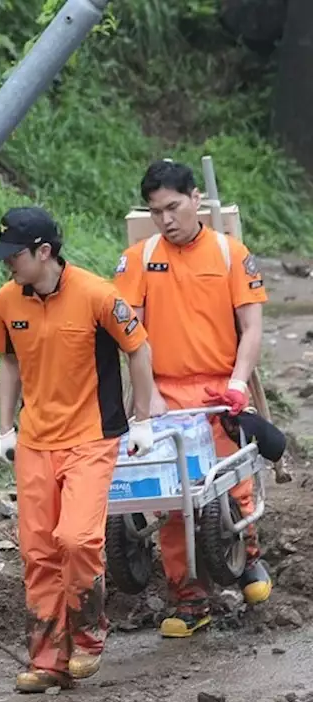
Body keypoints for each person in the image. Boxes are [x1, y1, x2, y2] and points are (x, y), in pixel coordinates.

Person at [0, 207, 157, 693]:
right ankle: (47, 659)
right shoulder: (7, 301)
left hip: (90, 437)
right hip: (35, 439)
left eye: (14, 255)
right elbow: (10, 363)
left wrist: (141, 419)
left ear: (45, 252)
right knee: (39, 550)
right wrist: (5, 428)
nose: (7, 265)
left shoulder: (99, 296)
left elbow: (139, 349)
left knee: (78, 539)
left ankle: (88, 636)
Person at [113, 159, 272, 637]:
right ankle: (189, 597)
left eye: (174, 207)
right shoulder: (140, 260)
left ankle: (245, 558)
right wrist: (147, 395)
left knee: (232, 486)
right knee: (172, 497)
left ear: (196, 200)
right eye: (158, 211)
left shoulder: (229, 255)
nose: (167, 219)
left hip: (218, 389)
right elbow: (131, 334)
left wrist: (239, 382)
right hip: (164, 396)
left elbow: (252, 328)